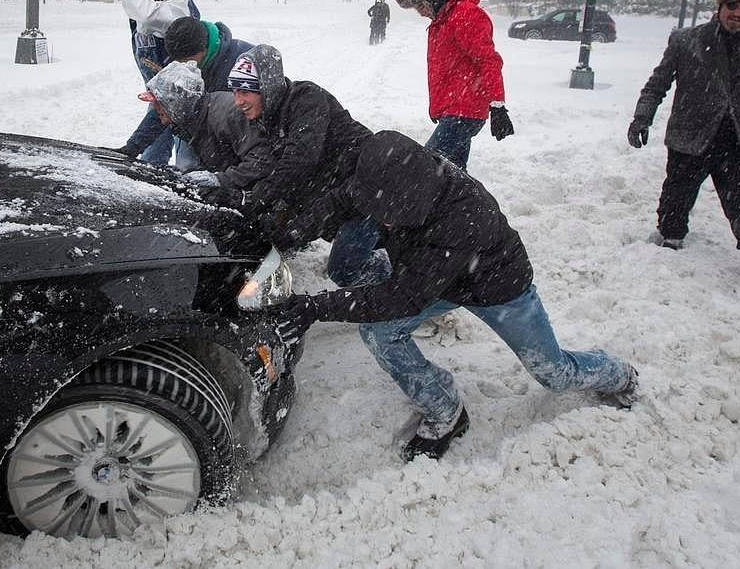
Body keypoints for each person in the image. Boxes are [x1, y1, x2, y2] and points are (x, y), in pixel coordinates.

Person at [259, 130, 638, 462]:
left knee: (554, 373)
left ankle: (617, 374)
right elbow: (340, 202)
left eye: (389, 217)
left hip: (497, 288)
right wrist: (282, 231)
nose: (383, 223)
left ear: (412, 201)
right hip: (440, 278)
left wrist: (315, 307)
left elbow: (400, 297)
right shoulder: (391, 176)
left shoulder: (461, 217)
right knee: (380, 333)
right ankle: (445, 410)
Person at [627, 0, 740, 296]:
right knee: (676, 197)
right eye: (732, 5)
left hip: (738, 141)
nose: (737, 13)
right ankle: (669, 240)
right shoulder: (686, 40)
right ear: (720, 6)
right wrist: (641, 117)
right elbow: (658, 83)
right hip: (691, 136)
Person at [226, 44, 386, 287]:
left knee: (343, 272)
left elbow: (299, 160)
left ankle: (393, 275)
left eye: (245, 92)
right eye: (235, 92)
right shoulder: (268, 115)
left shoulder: (306, 99)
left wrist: (257, 200)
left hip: (368, 188)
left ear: (267, 88)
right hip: (339, 191)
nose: (238, 101)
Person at [83, 0, 200, 168]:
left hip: (190, 101)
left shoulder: (179, 7)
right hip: (160, 97)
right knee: (150, 161)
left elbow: (147, 13)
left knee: (189, 164)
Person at [395, 0, 514, 169]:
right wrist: (439, 108)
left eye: (420, 6)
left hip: (464, 110)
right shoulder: (443, 19)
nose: (421, 13)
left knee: (426, 168)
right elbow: (446, 70)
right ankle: (465, 200)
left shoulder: (464, 15)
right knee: (453, 174)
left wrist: (498, 106)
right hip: (455, 110)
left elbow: (488, 61)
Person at [120, 16, 254, 162]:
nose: (182, 66)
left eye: (186, 60)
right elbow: (166, 106)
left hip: (241, 142)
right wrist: (132, 147)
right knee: (187, 167)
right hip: (199, 132)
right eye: (176, 60)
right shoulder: (183, 61)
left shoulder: (242, 63)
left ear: (203, 50)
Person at [136, 60, 273, 200]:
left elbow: (262, 161)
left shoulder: (226, 115)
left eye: (159, 103)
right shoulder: (193, 119)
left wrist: (221, 180)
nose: (154, 108)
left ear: (177, 102)